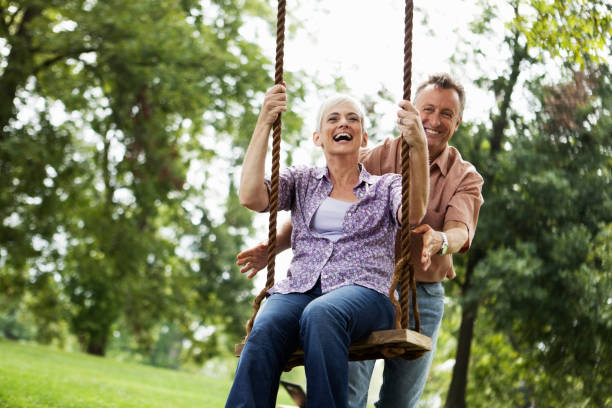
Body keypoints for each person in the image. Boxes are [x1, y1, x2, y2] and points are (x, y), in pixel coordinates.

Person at [236, 73, 484, 408]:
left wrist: (439, 239)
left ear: (457, 121)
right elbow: (300, 213)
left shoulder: (445, 178)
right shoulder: (349, 163)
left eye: (446, 114)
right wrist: (274, 247)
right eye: (427, 109)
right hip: (322, 288)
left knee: (398, 399)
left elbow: (454, 228)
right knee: (277, 325)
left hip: (411, 290)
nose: (434, 120)